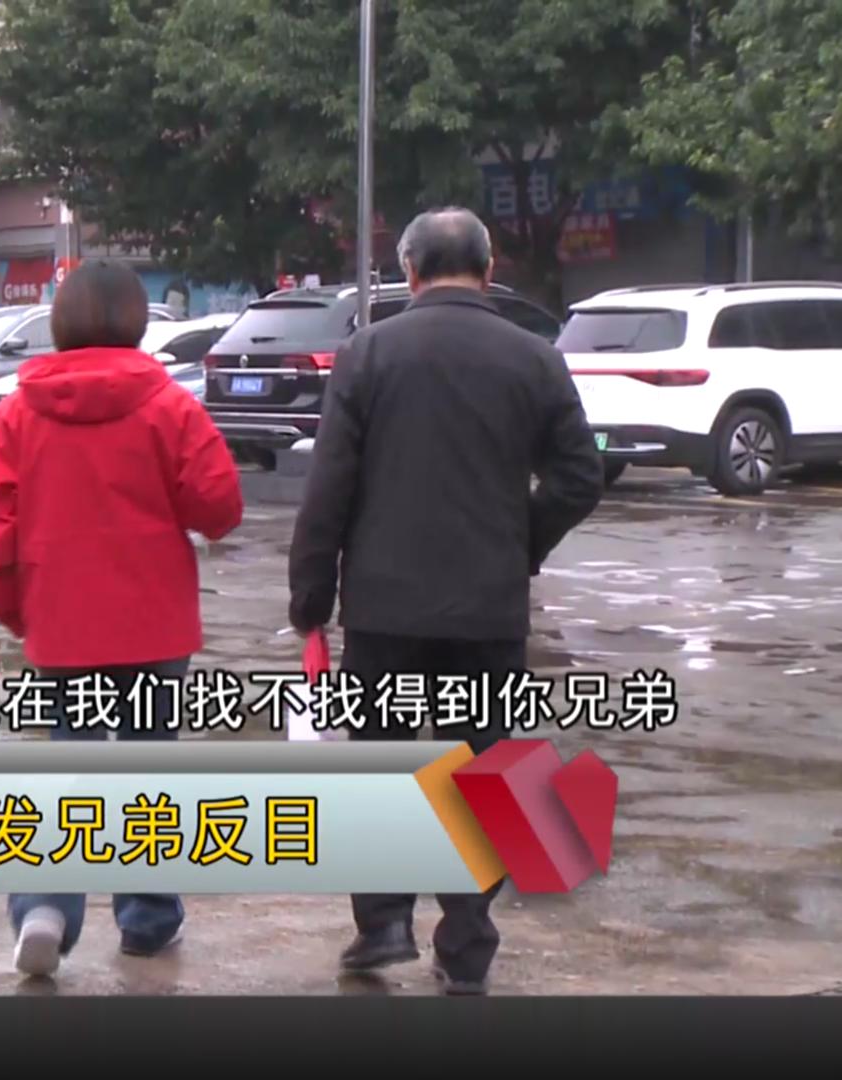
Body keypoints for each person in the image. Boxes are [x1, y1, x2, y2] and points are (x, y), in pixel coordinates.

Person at [287, 207, 604, 995]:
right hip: (488, 610)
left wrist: (310, 600)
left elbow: (329, 488)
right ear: (490, 270)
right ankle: (466, 946)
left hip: (384, 609)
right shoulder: (534, 358)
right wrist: (520, 543)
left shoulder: (368, 353)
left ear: (410, 271)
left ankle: (383, 926)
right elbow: (579, 476)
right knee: (485, 771)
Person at [0, 260, 244, 979]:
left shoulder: (20, 412)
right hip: (156, 622)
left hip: (62, 622)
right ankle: (147, 921)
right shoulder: (169, 406)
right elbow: (219, 506)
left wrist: (19, 610)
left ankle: (45, 906)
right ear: (136, 320)